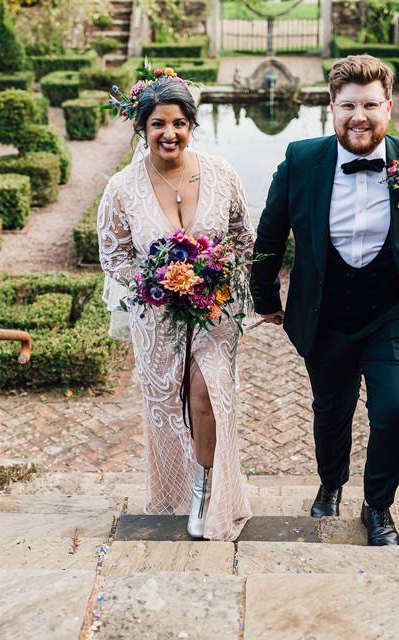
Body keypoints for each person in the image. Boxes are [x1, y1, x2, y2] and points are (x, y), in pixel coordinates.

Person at [250, 54, 399, 546]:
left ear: (388, 107)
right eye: (348, 106)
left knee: (397, 411)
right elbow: (270, 234)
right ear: (331, 108)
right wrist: (265, 296)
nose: (359, 116)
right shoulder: (301, 160)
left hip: (394, 312)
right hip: (326, 315)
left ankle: (378, 506)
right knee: (331, 410)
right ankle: (331, 482)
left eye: (370, 105)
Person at [97, 75, 253, 541]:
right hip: (157, 318)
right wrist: (154, 280)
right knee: (170, 406)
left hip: (214, 313)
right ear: (142, 128)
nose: (170, 133)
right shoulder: (122, 188)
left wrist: (219, 275)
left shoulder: (221, 173)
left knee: (207, 396)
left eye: (180, 123)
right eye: (158, 123)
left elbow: (244, 238)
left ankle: (207, 491)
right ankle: (177, 491)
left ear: (191, 125)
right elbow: (114, 256)